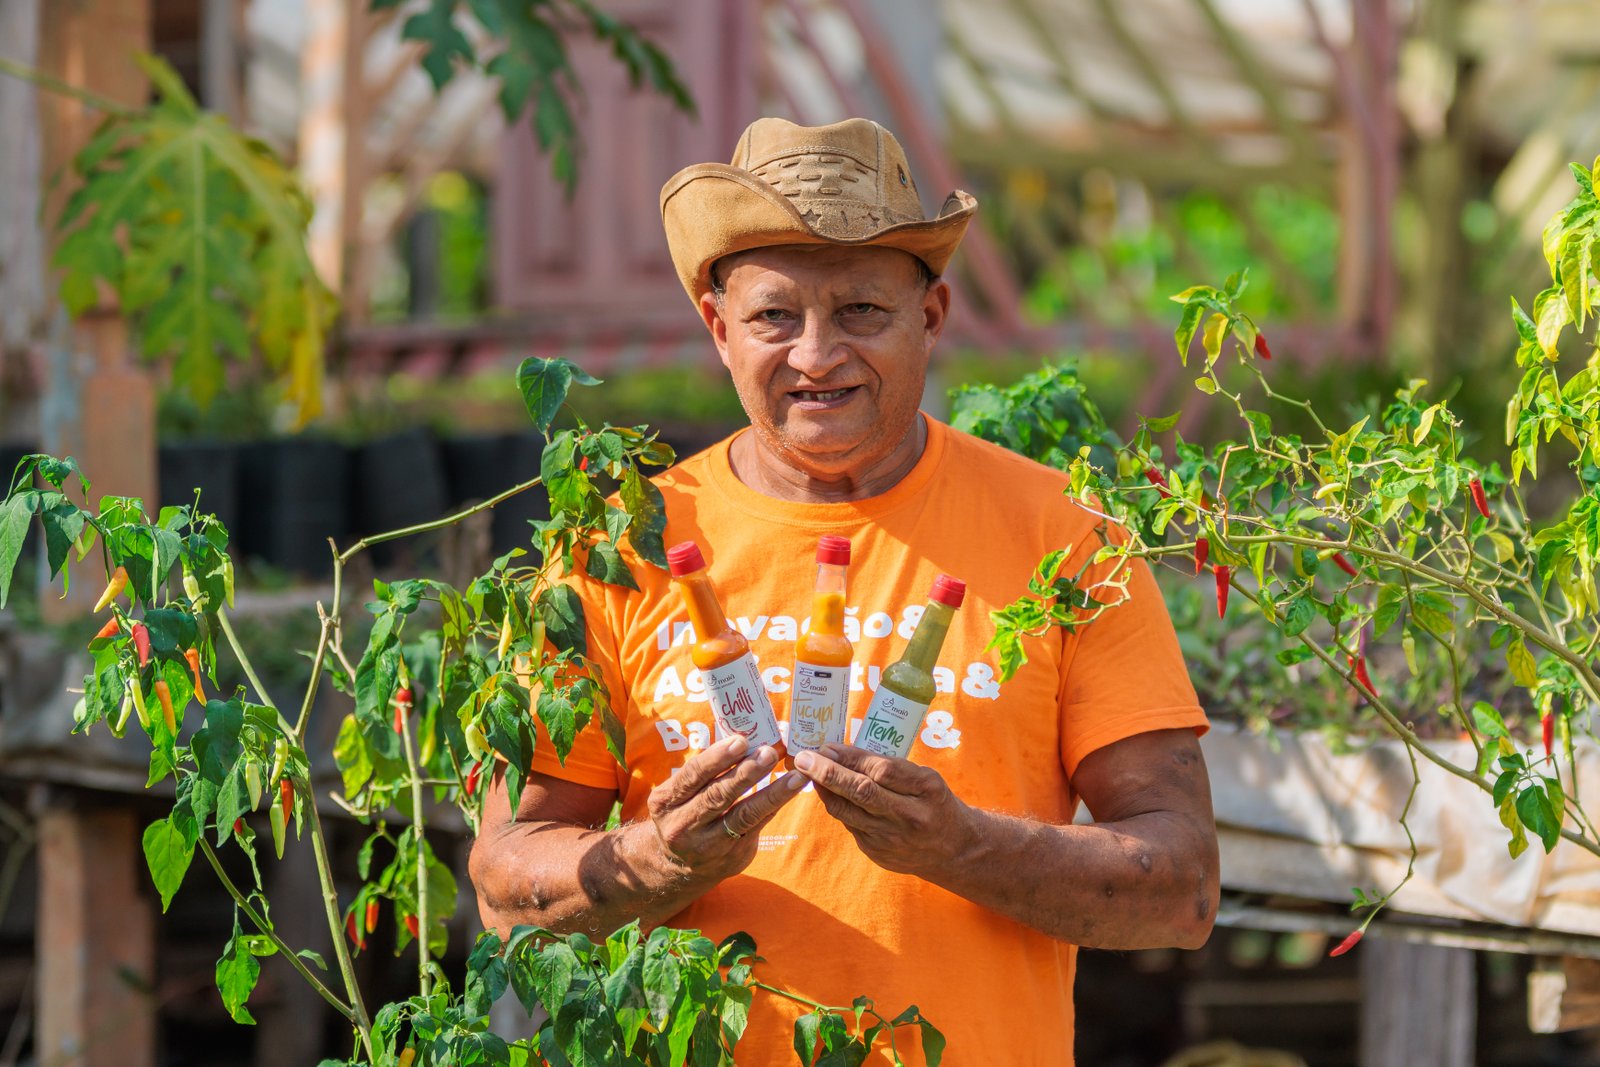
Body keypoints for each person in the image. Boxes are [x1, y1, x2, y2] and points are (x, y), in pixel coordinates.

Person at [469, 116, 1219, 1065]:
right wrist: (661, 856)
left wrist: (961, 845)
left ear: (931, 316)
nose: (817, 355)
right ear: (719, 328)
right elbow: (505, 880)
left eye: (861, 309)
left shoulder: (1065, 538)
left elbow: (1182, 887)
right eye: (774, 317)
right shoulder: (618, 549)